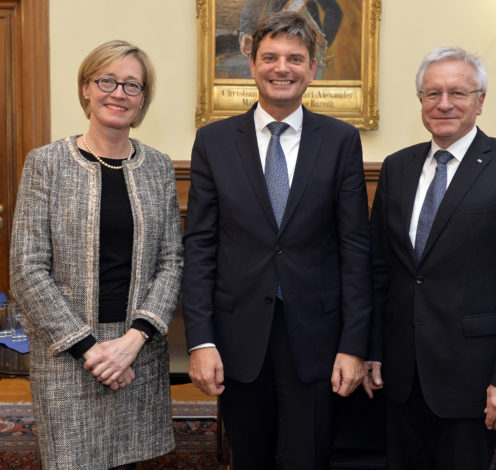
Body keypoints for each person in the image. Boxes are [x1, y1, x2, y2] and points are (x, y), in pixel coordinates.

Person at [183, 11, 373, 470]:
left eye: (295, 58)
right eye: (270, 57)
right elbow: (200, 247)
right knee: (248, 457)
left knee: (306, 456)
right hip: (238, 334)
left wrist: (354, 345)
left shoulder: (341, 141)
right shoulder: (213, 141)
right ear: (251, 63)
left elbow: (355, 248)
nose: (281, 68)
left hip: (316, 335)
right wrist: (201, 341)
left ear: (313, 68)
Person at [364, 46, 496, 469]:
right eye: (432, 94)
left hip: (474, 376)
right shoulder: (397, 168)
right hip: (401, 372)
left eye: (458, 93)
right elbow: (381, 271)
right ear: (420, 102)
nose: (444, 104)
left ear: (480, 101)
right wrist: (372, 348)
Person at [9, 40, 183, 470]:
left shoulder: (159, 167)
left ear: (143, 100)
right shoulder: (46, 163)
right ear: (86, 88)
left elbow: (172, 261)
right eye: (106, 80)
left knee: (133, 460)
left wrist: (132, 342)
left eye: (131, 85)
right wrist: (91, 351)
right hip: (67, 354)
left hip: (137, 351)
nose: (118, 93)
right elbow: (27, 268)